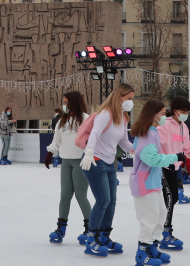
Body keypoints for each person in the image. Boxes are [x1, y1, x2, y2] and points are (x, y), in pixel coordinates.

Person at [81, 83, 136, 257]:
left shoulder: (123, 116)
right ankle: (92, 238)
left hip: (109, 162)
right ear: (119, 97)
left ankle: (104, 236)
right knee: (103, 200)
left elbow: (124, 141)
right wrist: (89, 152)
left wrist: (137, 151)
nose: (130, 102)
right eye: (129, 99)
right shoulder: (106, 114)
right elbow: (95, 134)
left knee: (111, 201)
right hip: (95, 161)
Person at [128, 100, 180, 266]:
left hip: (153, 181)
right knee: (148, 219)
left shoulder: (153, 132)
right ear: (154, 114)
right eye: (163, 113)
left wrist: (168, 164)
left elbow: (155, 157)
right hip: (145, 183)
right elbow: (150, 158)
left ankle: (152, 248)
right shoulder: (146, 134)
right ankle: (142, 254)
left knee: (160, 216)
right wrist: (174, 157)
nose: (164, 116)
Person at [155, 96, 190, 250]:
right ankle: (164, 232)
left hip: (174, 168)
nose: (186, 114)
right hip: (162, 166)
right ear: (175, 111)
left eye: (187, 111)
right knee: (170, 198)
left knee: (172, 198)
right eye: (183, 111)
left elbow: (187, 146)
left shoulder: (184, 127)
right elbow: (156, 143)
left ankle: (160, 229)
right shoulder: (165, 125)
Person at [46, 92, 91, 245]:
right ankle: (61, 228)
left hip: (81, 161)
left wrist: (89, 155)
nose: (64, 105)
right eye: (63, 102)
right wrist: (50, 152)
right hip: (66, 161)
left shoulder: (85, 119)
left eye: (66, 102)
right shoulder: (61, 121)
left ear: (74, 103)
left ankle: (90, 228)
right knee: (65, 195)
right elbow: (56, 141)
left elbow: (93, 139)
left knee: (80, 194)